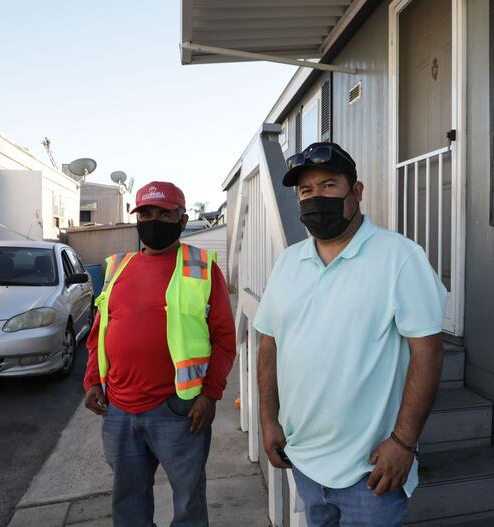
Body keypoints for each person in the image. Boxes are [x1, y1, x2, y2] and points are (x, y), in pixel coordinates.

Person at [254, 142, 447, 526]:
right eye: (306, 191)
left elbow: (428, 353)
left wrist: (404, 442)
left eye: (328, 185)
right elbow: (269, 344)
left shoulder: (400, 257)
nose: (316, 197)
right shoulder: (288, 262)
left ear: (355, 191)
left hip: (370, 471)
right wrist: (268, 418)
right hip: (304, 460)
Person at [83, 181, 236, 527]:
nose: (154, 220)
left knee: (188, 501)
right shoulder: (117, 267)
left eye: (164, 213)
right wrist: (93, 379)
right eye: (146, 213)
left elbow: (225, 338)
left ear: (182, 221)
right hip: (119, 408)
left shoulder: (202, 267)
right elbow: (99, 332)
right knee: (128, 500)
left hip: (177, 409)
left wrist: (210, 395)